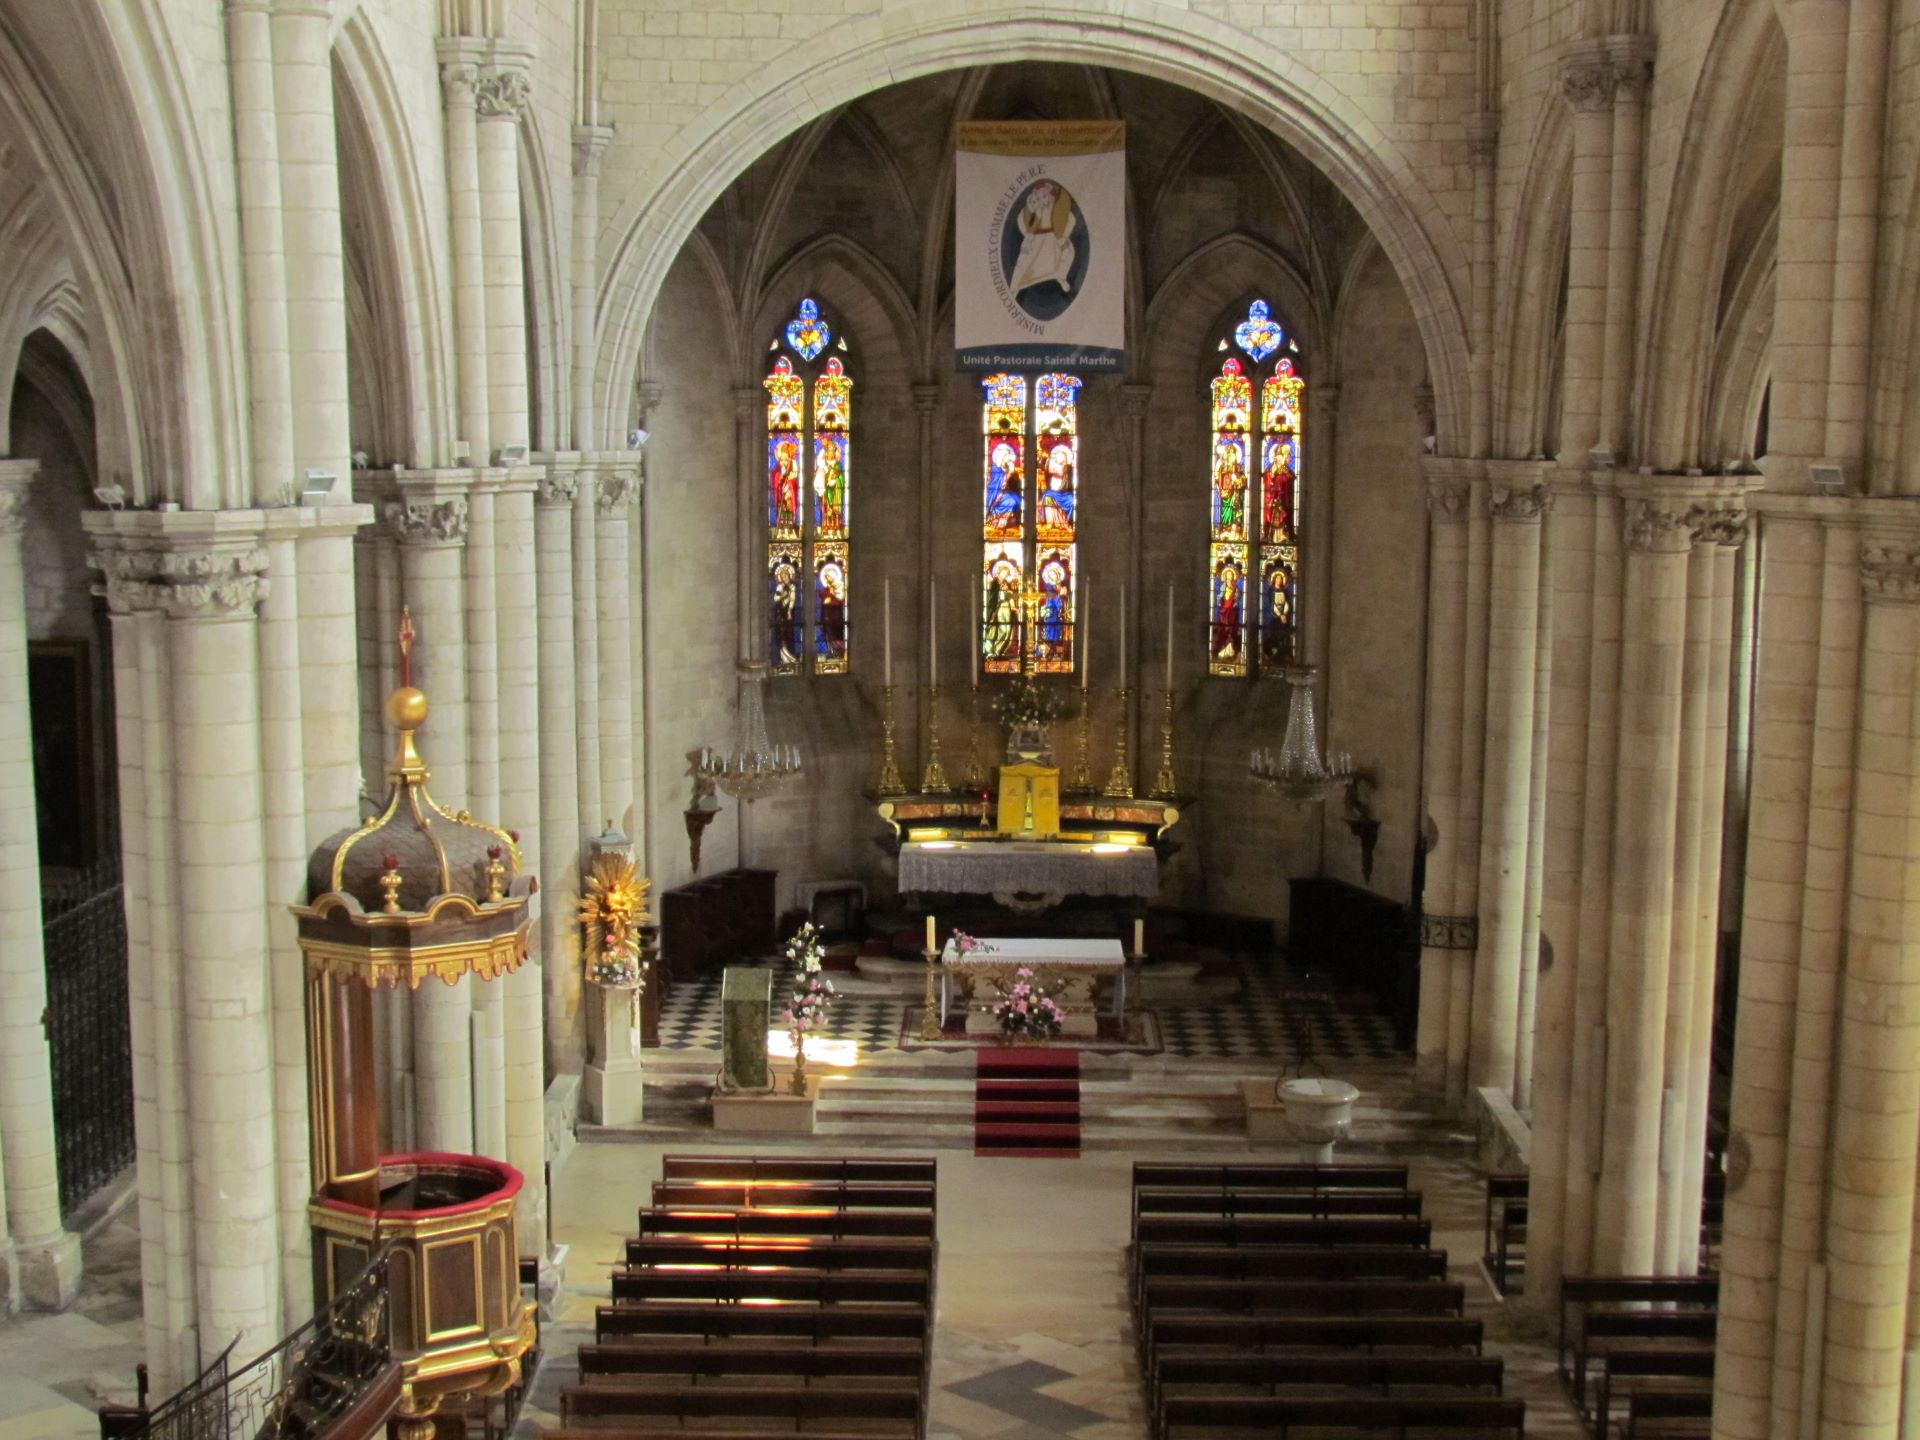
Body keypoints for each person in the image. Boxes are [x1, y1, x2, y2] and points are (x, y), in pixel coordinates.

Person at [1008, 180, 1078, 299]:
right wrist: (1029, 237)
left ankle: (1060, 277)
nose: (1042, 200)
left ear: (1050, 196)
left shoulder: (1056, 207)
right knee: (1025, 262)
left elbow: (1067, 219)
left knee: (1067, 253)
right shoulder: (1038, 210)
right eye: (1039, 197)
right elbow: (1031, 223)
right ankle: (1015, 288)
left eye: (1044, 196)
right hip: (1038, 239)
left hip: (1054, 237)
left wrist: (1063, 236)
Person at [1038, 440, 1076, 533]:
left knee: (1072, 500)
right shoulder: (1054, 466)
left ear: (1064, 458)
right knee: (1047, 497)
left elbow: (1059, 471)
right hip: (1053, 492)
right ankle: (1050, 523)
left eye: (1059, 456)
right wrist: (1043, 456)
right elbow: (1048, 468)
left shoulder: (1067, 468)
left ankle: (1066, 524)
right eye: (1056, 456)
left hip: (1065, 494)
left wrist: (1048, 456)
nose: (1056, 458)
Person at [985, 442, 1022, 534]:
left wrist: (1011, 473)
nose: (1009, 459)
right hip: (995, 495)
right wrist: (1009, 473)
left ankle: (1013, 521)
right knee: (1011, 501)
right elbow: (1001, 485)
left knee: (1018, 500)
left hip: (1003, 493)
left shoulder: (1004, 468)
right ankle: (999, 522)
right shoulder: (995, 469)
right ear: (1002, 457)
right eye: (1007, 457)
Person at [1213, 439, 1248, 537]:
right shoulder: (1222, 468)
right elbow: (1218, 480)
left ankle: (1236, 529)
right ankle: (1225, 528)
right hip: (1226, 495)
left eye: (1234, 454)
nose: (1233, 456)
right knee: (1226, 512)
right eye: (1231, 454)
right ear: (1227, 456)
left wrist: (1237, 480)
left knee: (1235, 512)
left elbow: (1244, 480)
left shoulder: (1239, 467)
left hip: (1236, 495)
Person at [1211, 561, 1242, 660]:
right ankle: (1222, 649)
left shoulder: (1236, 587)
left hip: (1232, 610)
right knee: (1223, 628)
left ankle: (1231, 649)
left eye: (1231, 574)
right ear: (1225, 575)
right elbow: (1219, 597)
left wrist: (1236, 597)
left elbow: (1238, 596)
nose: (1229, 576)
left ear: (1233, 576)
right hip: (1224, 610)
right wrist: (1220, 600)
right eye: (1228, 574)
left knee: (1232, 629)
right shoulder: (1223, 586)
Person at [815, 436, 846, 534]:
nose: (831, 454)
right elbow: (819, 477)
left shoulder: (838, 465)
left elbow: (842, 478)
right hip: (826, 491)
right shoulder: (823, 464)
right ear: (826, 453)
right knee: (826, 510)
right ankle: (826, 532)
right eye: (829, 452)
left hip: (836, 492)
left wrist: (837, 479)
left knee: (835, 511)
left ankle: (836, 530)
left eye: (833, 452)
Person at [770, 438, 801, 530]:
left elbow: (795, 480)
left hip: (789, 494)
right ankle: (781, 530)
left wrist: (790, 485)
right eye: (782, 460)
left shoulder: (793, 466)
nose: (784, 462)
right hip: (781, 494)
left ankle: (790, 530)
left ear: (790, 459)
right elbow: (775, 477)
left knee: (789, 510)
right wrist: (780, 477)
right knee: (782, 510)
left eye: (786, 460)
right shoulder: (777, 468)